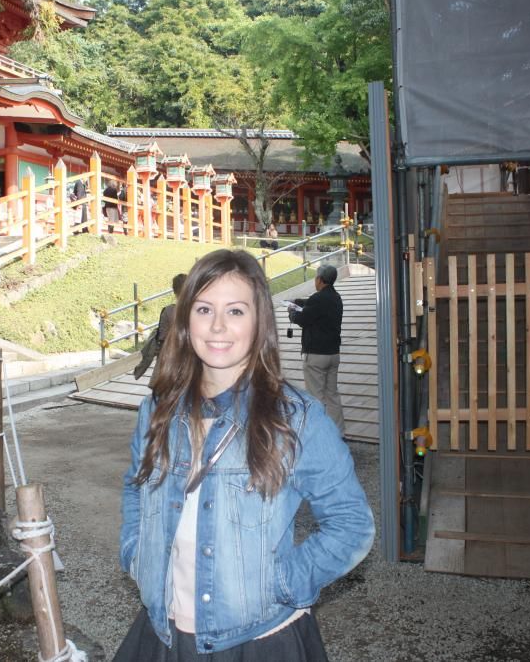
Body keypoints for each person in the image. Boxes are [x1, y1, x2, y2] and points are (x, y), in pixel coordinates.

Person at [116, 249, 373, 660]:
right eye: (204, 309)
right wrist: (135, 553)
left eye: (235, 311)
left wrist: (281, 583)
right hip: (165, 631)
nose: (218, 326)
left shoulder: (296, 419)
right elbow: (136, 488)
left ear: (259, 323)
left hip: (256, 640)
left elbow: (352, 525)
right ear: (186, 320)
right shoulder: (157, 410)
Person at [288, 264, 345, 433]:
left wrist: (292, 312)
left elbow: (303, 318)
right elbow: (314, 305)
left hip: (316, 355)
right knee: (332, 394)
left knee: (316, 396)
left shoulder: (318, 299)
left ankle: (320, 436)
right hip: (333, 354)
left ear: (319, 280)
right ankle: (338, 432)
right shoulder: (336, 298)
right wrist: (299, 302)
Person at [133, 273, 186, 380]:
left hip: (168, 360)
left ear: (174, 291)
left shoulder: (168, 311)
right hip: (189, 362)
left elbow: (161, 337)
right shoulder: (198, 311)